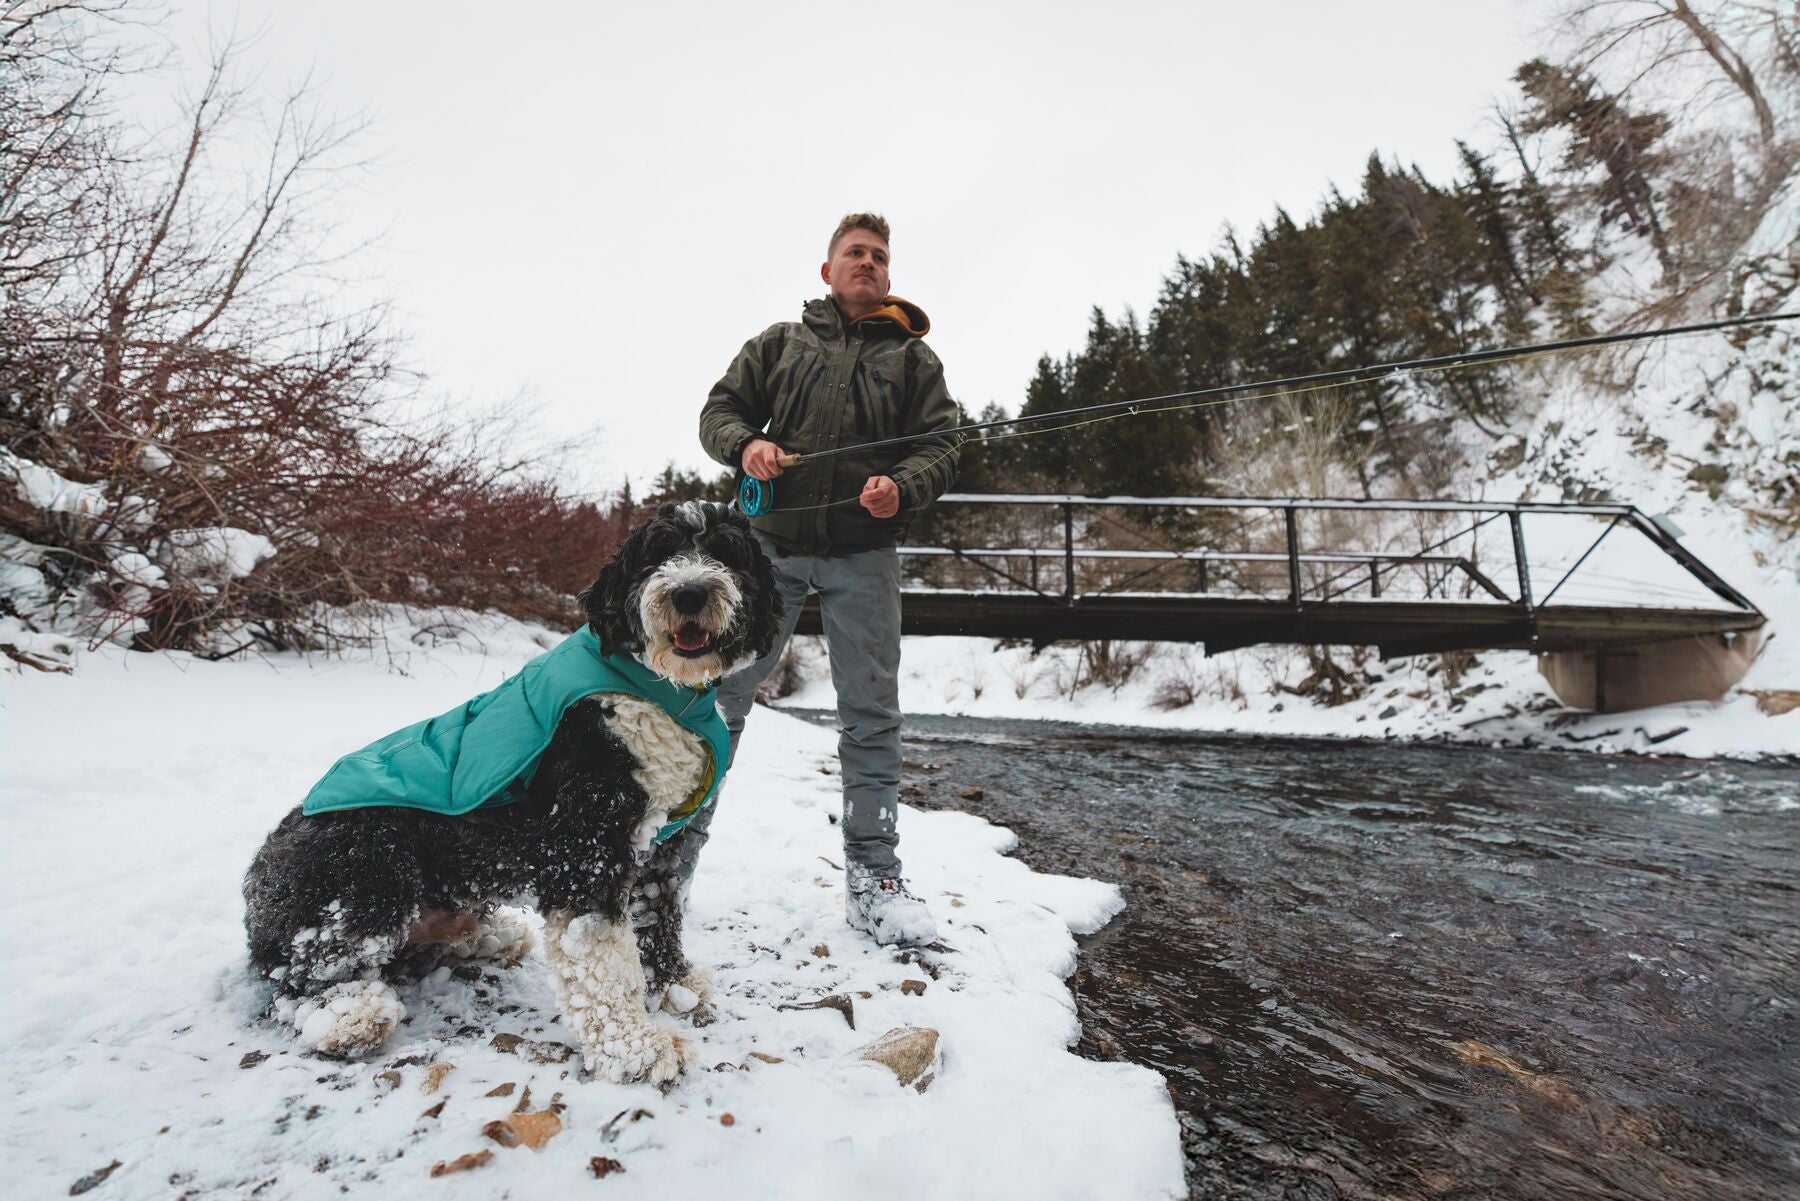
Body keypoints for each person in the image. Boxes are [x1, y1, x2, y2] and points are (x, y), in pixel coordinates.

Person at [688, 212, 960, 947]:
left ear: (889, 276)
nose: (866, 262)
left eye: (877, 255)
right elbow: (720, 410)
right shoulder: (779, 342)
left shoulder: (914, 362)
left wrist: (900, 488)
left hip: (864, 558)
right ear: (827, 270)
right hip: (765, 552)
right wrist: (747, 445)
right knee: (720, 704)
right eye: (853, 253)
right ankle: (671, 859)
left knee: (871, 717)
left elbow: (942, 446)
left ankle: (875, 879)